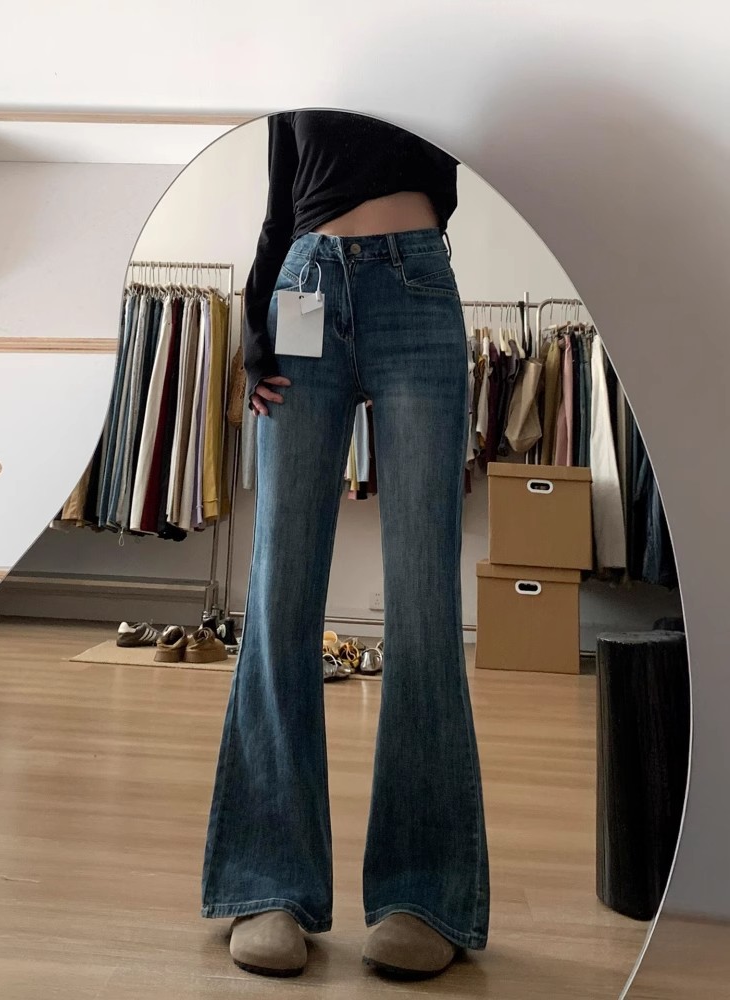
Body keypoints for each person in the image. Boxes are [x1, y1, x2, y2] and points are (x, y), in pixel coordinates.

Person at [201, 110, 489, 980]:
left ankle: (422, 891)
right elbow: (279, 199)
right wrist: (255, 329)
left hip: (417, 283)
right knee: (280, 590)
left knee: (425, 605)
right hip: (304, 287)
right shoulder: (307, 52)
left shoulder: (431, 47)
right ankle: (269, 881)